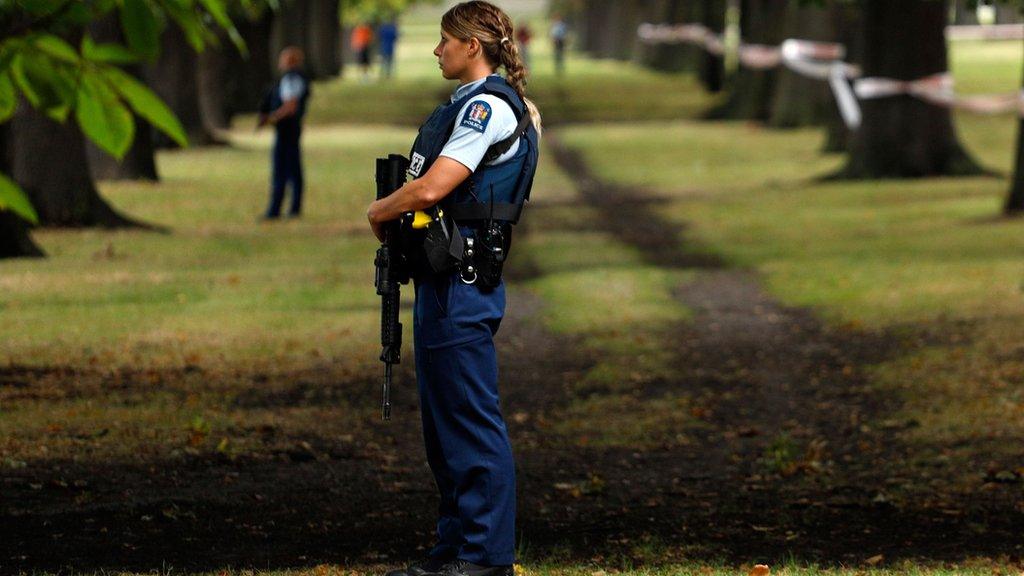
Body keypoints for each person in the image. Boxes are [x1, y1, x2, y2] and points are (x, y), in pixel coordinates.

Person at [366, 2, 541, 576]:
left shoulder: (486, 107)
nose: (437, 50)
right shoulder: (474, 104)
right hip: (445, 280)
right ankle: (455, 552)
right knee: (444, 430)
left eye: (445, 40)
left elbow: (433, 187)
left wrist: (379, 209)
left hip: (461, 285)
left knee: (469, 422)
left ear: (473, 45)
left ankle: (486, 559)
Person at [258, 46, 310, 220]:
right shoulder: (298, 78)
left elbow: (290, 106)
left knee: (281, 170)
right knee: (294, 169)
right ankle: (294, 208)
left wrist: (273, 118)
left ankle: (275, 210)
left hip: (287, 130)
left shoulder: (290, 79)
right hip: (293, 130)